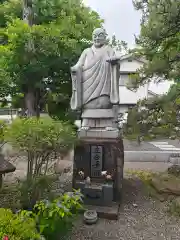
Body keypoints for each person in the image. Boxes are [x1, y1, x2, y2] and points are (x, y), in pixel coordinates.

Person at [70, 28, 120, 130]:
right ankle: (87, 122)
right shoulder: (86, 51)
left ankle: (107, 122)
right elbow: (79, 65)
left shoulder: (108, 49)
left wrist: (115, 63)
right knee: (89, 105)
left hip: (104, 85)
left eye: (100, 35)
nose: (97, 38)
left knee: (104, 103)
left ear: (105, 37)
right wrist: (75, 69)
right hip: (88, 85)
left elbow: (115, 63)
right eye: (95, 35)